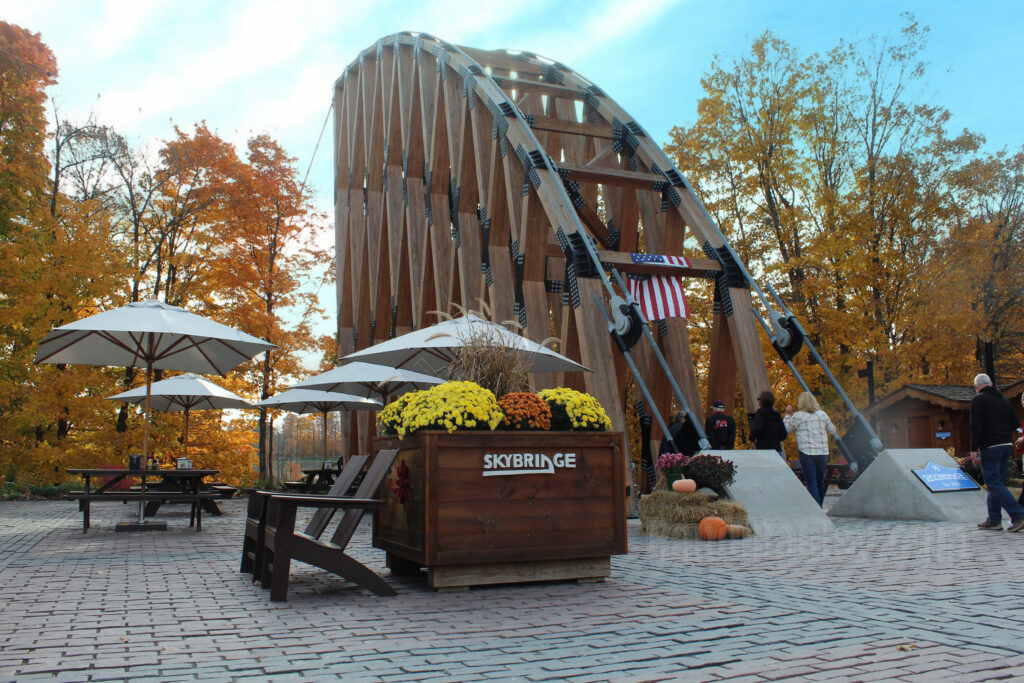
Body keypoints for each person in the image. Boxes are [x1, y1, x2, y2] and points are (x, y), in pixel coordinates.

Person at [970, 373, 1024, 531]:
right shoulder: (1004, 400)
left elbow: (976, 425)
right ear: (991, 383)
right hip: (1006, 445)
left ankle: (1018, 514)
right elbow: (1015, 422)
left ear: (976, 387)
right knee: (997, 482)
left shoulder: (979, 399)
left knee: (993, 482)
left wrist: (974, 448)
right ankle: (994, 519)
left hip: (991, 445)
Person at [783, 392, 838, 507]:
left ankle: (817, 507)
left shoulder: (798, 416)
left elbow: (786, 431)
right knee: (820, 481)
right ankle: (820, 504)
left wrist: (788, 415)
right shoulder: (822, 415)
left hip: (807, 452)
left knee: (811, 482)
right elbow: (833, 430)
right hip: (822, 452)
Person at [749, 390, 787, 456]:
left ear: (761, 402)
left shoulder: (760, 413)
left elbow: (758, 428)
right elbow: (784, 434)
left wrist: (752, 437)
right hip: (776, 449)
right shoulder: (777, 415)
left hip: (763, 449)